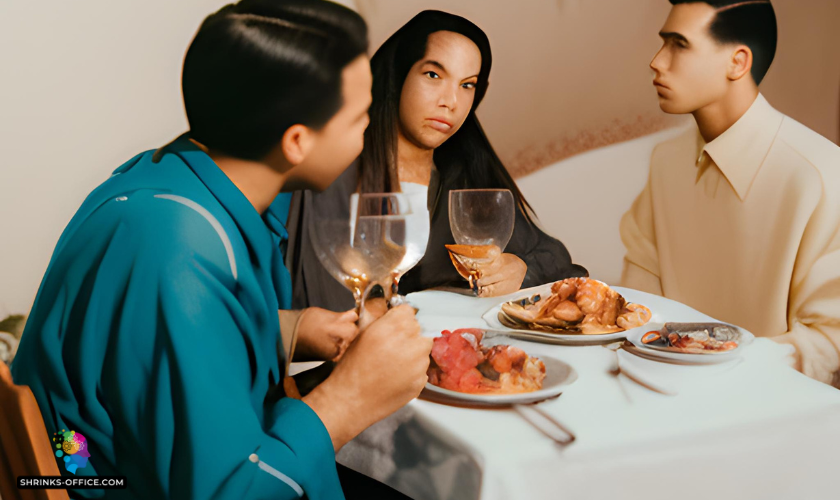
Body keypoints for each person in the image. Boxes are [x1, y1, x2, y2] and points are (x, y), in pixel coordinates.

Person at [11, 1, 431, 498]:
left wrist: (293, 329)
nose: (369, 127)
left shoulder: (169, 177)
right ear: (297, 141)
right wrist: (349, 400)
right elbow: (224, 490)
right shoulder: (179, 250)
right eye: (360, 115)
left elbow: (146, 336)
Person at [285, 10, 587, 312]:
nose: (450, 102)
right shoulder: (332, 170)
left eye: (467, 85)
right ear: (399, 74)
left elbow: (558, 261)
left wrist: (521, 269)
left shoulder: (464, 174)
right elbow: (321, 303)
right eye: (433, 75)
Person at [620, 0, 840, 386]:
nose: (657, 61)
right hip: (660, 395)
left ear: (738, 62)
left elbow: (830, 342)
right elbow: (637, 308)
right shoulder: (665, 162)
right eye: (663, 43)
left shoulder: (819, 174)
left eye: (679, 45)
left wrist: (717, 366)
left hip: (773, 417)